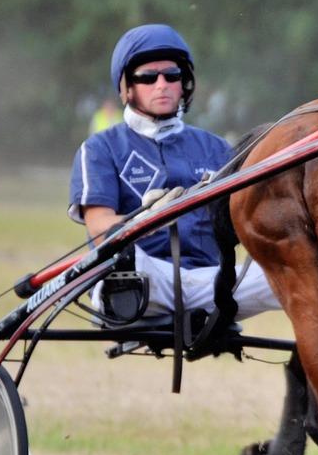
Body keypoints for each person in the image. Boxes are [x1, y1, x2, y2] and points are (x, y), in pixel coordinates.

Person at [68, 23, 279, 324]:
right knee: (124, 267)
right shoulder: (100, 148)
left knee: (296, 272)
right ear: (127, 87)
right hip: (138, 282)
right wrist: (147, 221)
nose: (162, 84)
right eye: (148, 77)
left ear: (185, 84)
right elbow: (99, 227)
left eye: (172, 75)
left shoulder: (218, 149)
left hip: (214, 284)